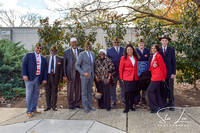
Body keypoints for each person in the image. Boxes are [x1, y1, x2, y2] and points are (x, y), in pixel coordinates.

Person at [21, 41, 47, 117]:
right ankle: (28, 111)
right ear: (34, 48)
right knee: (29, 95)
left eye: (40, 48)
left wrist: (44, 78)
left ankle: (33, 108)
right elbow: (23, 65)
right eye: (37, 47)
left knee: (36, 94)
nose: (39, 49)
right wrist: (24, 75)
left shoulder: (43, 58)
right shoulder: (29, 55)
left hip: (38, 78)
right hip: (29, 78)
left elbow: (45, 69)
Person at [75, 40, 96, 113]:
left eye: (89, 46)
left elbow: (92, 65)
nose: (88, 47)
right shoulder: (82, 54)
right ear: (85, 47)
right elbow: (77, 65)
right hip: (84, 76)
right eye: (87, 46)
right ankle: (85, 107)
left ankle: (90, 105)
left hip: (91, 75)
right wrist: (83, 73)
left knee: (90, 91)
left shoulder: (93, 54)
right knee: (84, 92)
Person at [119, 44, 140, 113]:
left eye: (130, 49)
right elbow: (120, 68)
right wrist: (121, 77)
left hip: (135, 77)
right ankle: (127, 107)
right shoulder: (123, 58)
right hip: (127, 77)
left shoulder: (136, 57)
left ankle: (131, 106)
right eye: (128, 50)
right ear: (126, 51)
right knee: (127, 92)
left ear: (133, 50)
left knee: (133, 92)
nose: (129, 51)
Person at [63, 38, 83, 110]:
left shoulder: (81, 51)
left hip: (79, 73)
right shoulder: (66, 52)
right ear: (70, 43)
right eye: (72, 42)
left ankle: (77, 104)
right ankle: (71, 105)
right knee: (70, 90)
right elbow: (64, 64)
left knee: (78, 89)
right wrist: (65, 75)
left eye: (75, 42)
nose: (74, 44)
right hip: (70, 73)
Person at [147, 44, 167, 113]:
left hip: (158, 77)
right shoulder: (153, 56)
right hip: (154, 76)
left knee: (150, 90)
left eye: (154, 48)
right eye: (152, 48)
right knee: (156, 91)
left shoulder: (158, 56)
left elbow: (163, 67)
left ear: (157, 49)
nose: (153, 49)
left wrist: (164, 77)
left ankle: (154, 107)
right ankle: (161, 107)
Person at [159, 35, 176, 111]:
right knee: (163, 88)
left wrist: (173, 73)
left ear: (168, 41)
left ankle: (171, 103)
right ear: (161, 41)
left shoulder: (171, 50)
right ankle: (164, 103)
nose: (164, 42)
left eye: (165, 40)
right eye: (163, 40)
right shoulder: (158, 50)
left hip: (169, 73)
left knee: (170, 88)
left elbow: (174, 62)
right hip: (161, 73)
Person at [107, 37, 125, 106]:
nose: (116, 43)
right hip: (113, 72)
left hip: (122, 72)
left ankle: (124, 100)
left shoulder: (123, 50)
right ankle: (113, 100)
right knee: (112, 87)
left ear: (119, 42)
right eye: (115, 42)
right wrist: (109, 72)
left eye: (117, 42)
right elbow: (107, 62)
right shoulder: (109, 50)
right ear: (113, 43)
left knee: (123, 87)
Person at [44, 46, 63, 111]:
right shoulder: (46, 58)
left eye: (55, 51)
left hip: (55, 77)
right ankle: (48, 106)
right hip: (47, 76)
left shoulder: (59, 59)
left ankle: (54, 106)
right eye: (52, 50)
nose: (53, 52)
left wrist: (60, 79)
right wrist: (43, 78)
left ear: (56, 52)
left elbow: (61, 70)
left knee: (54, 92)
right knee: (47, 92)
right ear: (50, 51)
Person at [136, 38, 150, 104]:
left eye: (142, 43)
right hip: (137, 71)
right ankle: (137, 98)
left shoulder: (148, 51)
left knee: (145, 85)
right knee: (138, 85)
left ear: (144, 44)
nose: (141, 45)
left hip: (145, 72)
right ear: (138, 44)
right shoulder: (135, 51)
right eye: (140, 44)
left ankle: (144, 98)